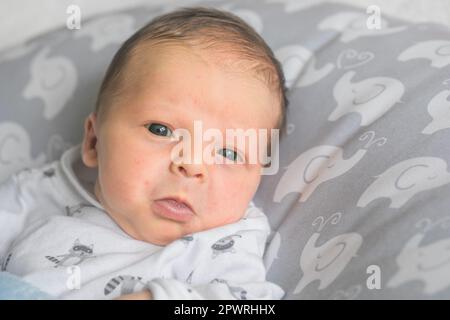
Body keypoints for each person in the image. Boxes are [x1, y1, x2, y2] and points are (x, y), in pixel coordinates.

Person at [0, 6, 288, 299]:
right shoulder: (38, 194)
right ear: (93, 142)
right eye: (161, 130)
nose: (191, 164)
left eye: (228, 152)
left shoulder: (224, 242)